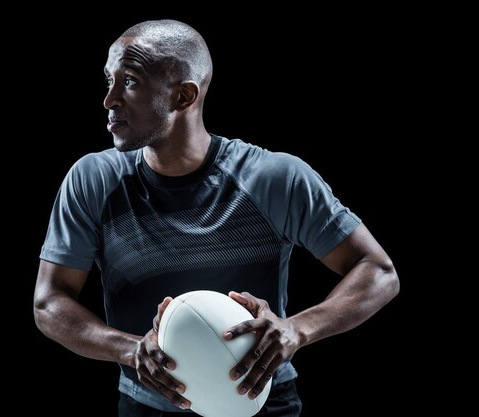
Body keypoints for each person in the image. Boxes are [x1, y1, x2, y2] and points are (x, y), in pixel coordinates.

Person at [33, 19, 399, 417]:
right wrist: (131, 349)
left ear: (184, 96)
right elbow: (50, 302)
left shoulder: (273, 178)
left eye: (131, 82)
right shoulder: (93, 180)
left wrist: (297, 329)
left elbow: (378, 272)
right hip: (146, 408)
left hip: (263, 404)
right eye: (109, 80)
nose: (109, 100)